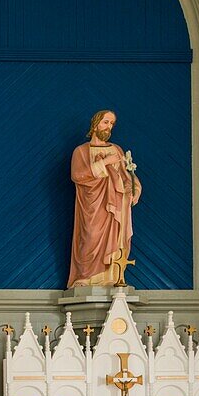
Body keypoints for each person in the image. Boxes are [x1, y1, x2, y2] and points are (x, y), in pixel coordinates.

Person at [68, 110, 142, 287]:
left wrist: (136, 187)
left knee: (115, 239)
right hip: (92, 205)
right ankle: (85, 277)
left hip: (115, 202)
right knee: (90, 236)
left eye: (111, 124)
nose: (109, 127)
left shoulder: (116, 149)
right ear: (95, 124)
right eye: (105, 122)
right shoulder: (81, 151)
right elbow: (78, 175)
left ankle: (111, 277)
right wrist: (106, 162)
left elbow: (127, 175)